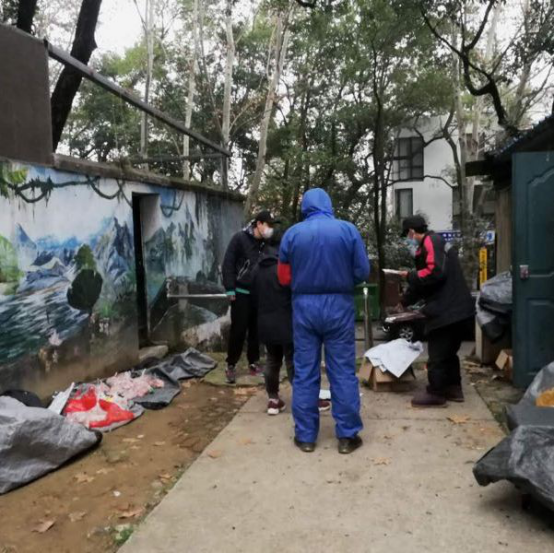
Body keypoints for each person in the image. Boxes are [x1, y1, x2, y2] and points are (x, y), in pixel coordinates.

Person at [278, 188, 370, 454]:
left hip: (304, 308)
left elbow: (283, 277)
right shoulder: (348, 230)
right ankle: (347, 437)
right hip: (339, 307)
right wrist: (342, 281)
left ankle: (306, 437)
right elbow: (362, 271)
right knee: (342, 370)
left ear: (305, 207)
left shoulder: (292, 234)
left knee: (305, 372)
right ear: (328, 205)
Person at [400, 215, 475, 408]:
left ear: (411, 232)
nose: (407, 240)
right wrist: (405, 301)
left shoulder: (431, 241)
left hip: (446, 309)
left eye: (406, 235)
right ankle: (453, 388)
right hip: (458, 308)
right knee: (449, 352)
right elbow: (424, 283)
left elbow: (435, 273)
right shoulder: (433, 245)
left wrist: (409, 276)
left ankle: (436, 393)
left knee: (438, 354)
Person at [253, 235, 331, 415]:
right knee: (293, 361)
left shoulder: (257, 269)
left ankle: (273, 400)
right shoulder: (285, 268)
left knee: (272, 360)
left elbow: (250, 292)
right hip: (287, 320)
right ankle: (306, 399)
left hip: (265, 322)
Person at [222, 210, 277, 384]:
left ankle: (253, 362)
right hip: (241, 292)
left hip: (259, 293)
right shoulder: (239, 238)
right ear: (258, 224)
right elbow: (228, 263)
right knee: (238, 330)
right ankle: (231, 364)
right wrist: (230, 288)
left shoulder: (267, 244)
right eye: (268, 225)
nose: (270, 229)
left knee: (256, 330)